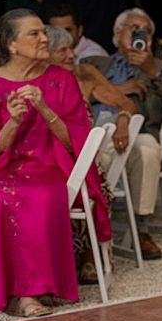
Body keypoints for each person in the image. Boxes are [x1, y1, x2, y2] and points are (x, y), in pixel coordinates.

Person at [0, 9, 109, 318]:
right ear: (11, 45)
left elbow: (72, 142)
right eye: (35, 34)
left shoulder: (61, 80)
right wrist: (13, 122)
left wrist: (44, 108)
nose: (44, 38)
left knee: (42, 196)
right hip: (4, 169)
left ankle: (29, 293)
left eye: (44, 32)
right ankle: (4, 291)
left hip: (51, 167)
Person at [83, 9, 162, 260]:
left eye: (147, 31)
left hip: (134, 137)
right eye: (133, 28)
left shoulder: (160, 68)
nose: (141, 34)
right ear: (117, 33)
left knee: (147, 148)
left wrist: (152, 72)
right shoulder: (95, 65)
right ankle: (86, 231)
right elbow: (72, 94)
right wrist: (120, 89)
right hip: (91, 134)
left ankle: (141, 230)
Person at [49, 25, 135, 284]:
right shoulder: (38, 79)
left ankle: (89, 254)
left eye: (70, 48)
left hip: (83, 153)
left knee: (87, 175)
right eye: (62, 50)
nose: (71, 55)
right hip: (50, 153)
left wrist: (123, 121)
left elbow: (125, 103)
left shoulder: (85, 73)